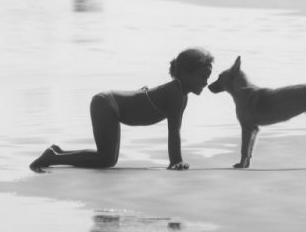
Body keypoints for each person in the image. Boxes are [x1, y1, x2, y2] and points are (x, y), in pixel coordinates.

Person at [29, 48, 214, 171]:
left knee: (108, 159)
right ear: (185, 74)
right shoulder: (175, 94)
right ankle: (52, 157)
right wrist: (176, 161)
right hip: (107, 104)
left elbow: (175, 130)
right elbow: (174, 132)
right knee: (106, 160)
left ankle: (57, 153)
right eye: (203, 76)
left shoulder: (180, 94)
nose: (206, 82)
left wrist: (176, 161)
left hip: (108, 104)